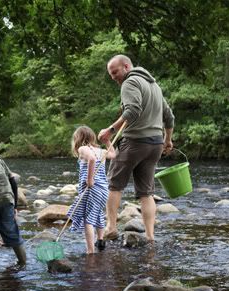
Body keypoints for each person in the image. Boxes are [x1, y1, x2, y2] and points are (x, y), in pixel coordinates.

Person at [98, 55, 175, 242]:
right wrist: (167, 140)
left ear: (126, 66)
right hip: (155, 144)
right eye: (111, 75)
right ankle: (149, 236)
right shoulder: (154, 86)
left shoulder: (129, 82)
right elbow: (169, 116)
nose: (114, 77)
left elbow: (132, 111)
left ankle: (111, 227)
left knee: (114, 184)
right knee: (146, 192)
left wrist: (110, 130)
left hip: (135, 142)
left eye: (115, 72)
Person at [68, 126, 116, 254]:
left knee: (87, 219)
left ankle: (90, 251)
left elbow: (92, 160)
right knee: (98, 214)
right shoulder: (99, 150)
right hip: (103, 189)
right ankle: (100, 241)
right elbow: (113, 154)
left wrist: (89, 180)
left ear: (78, 138)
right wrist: (107, 142)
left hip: (91, 189)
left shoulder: (83, 149)